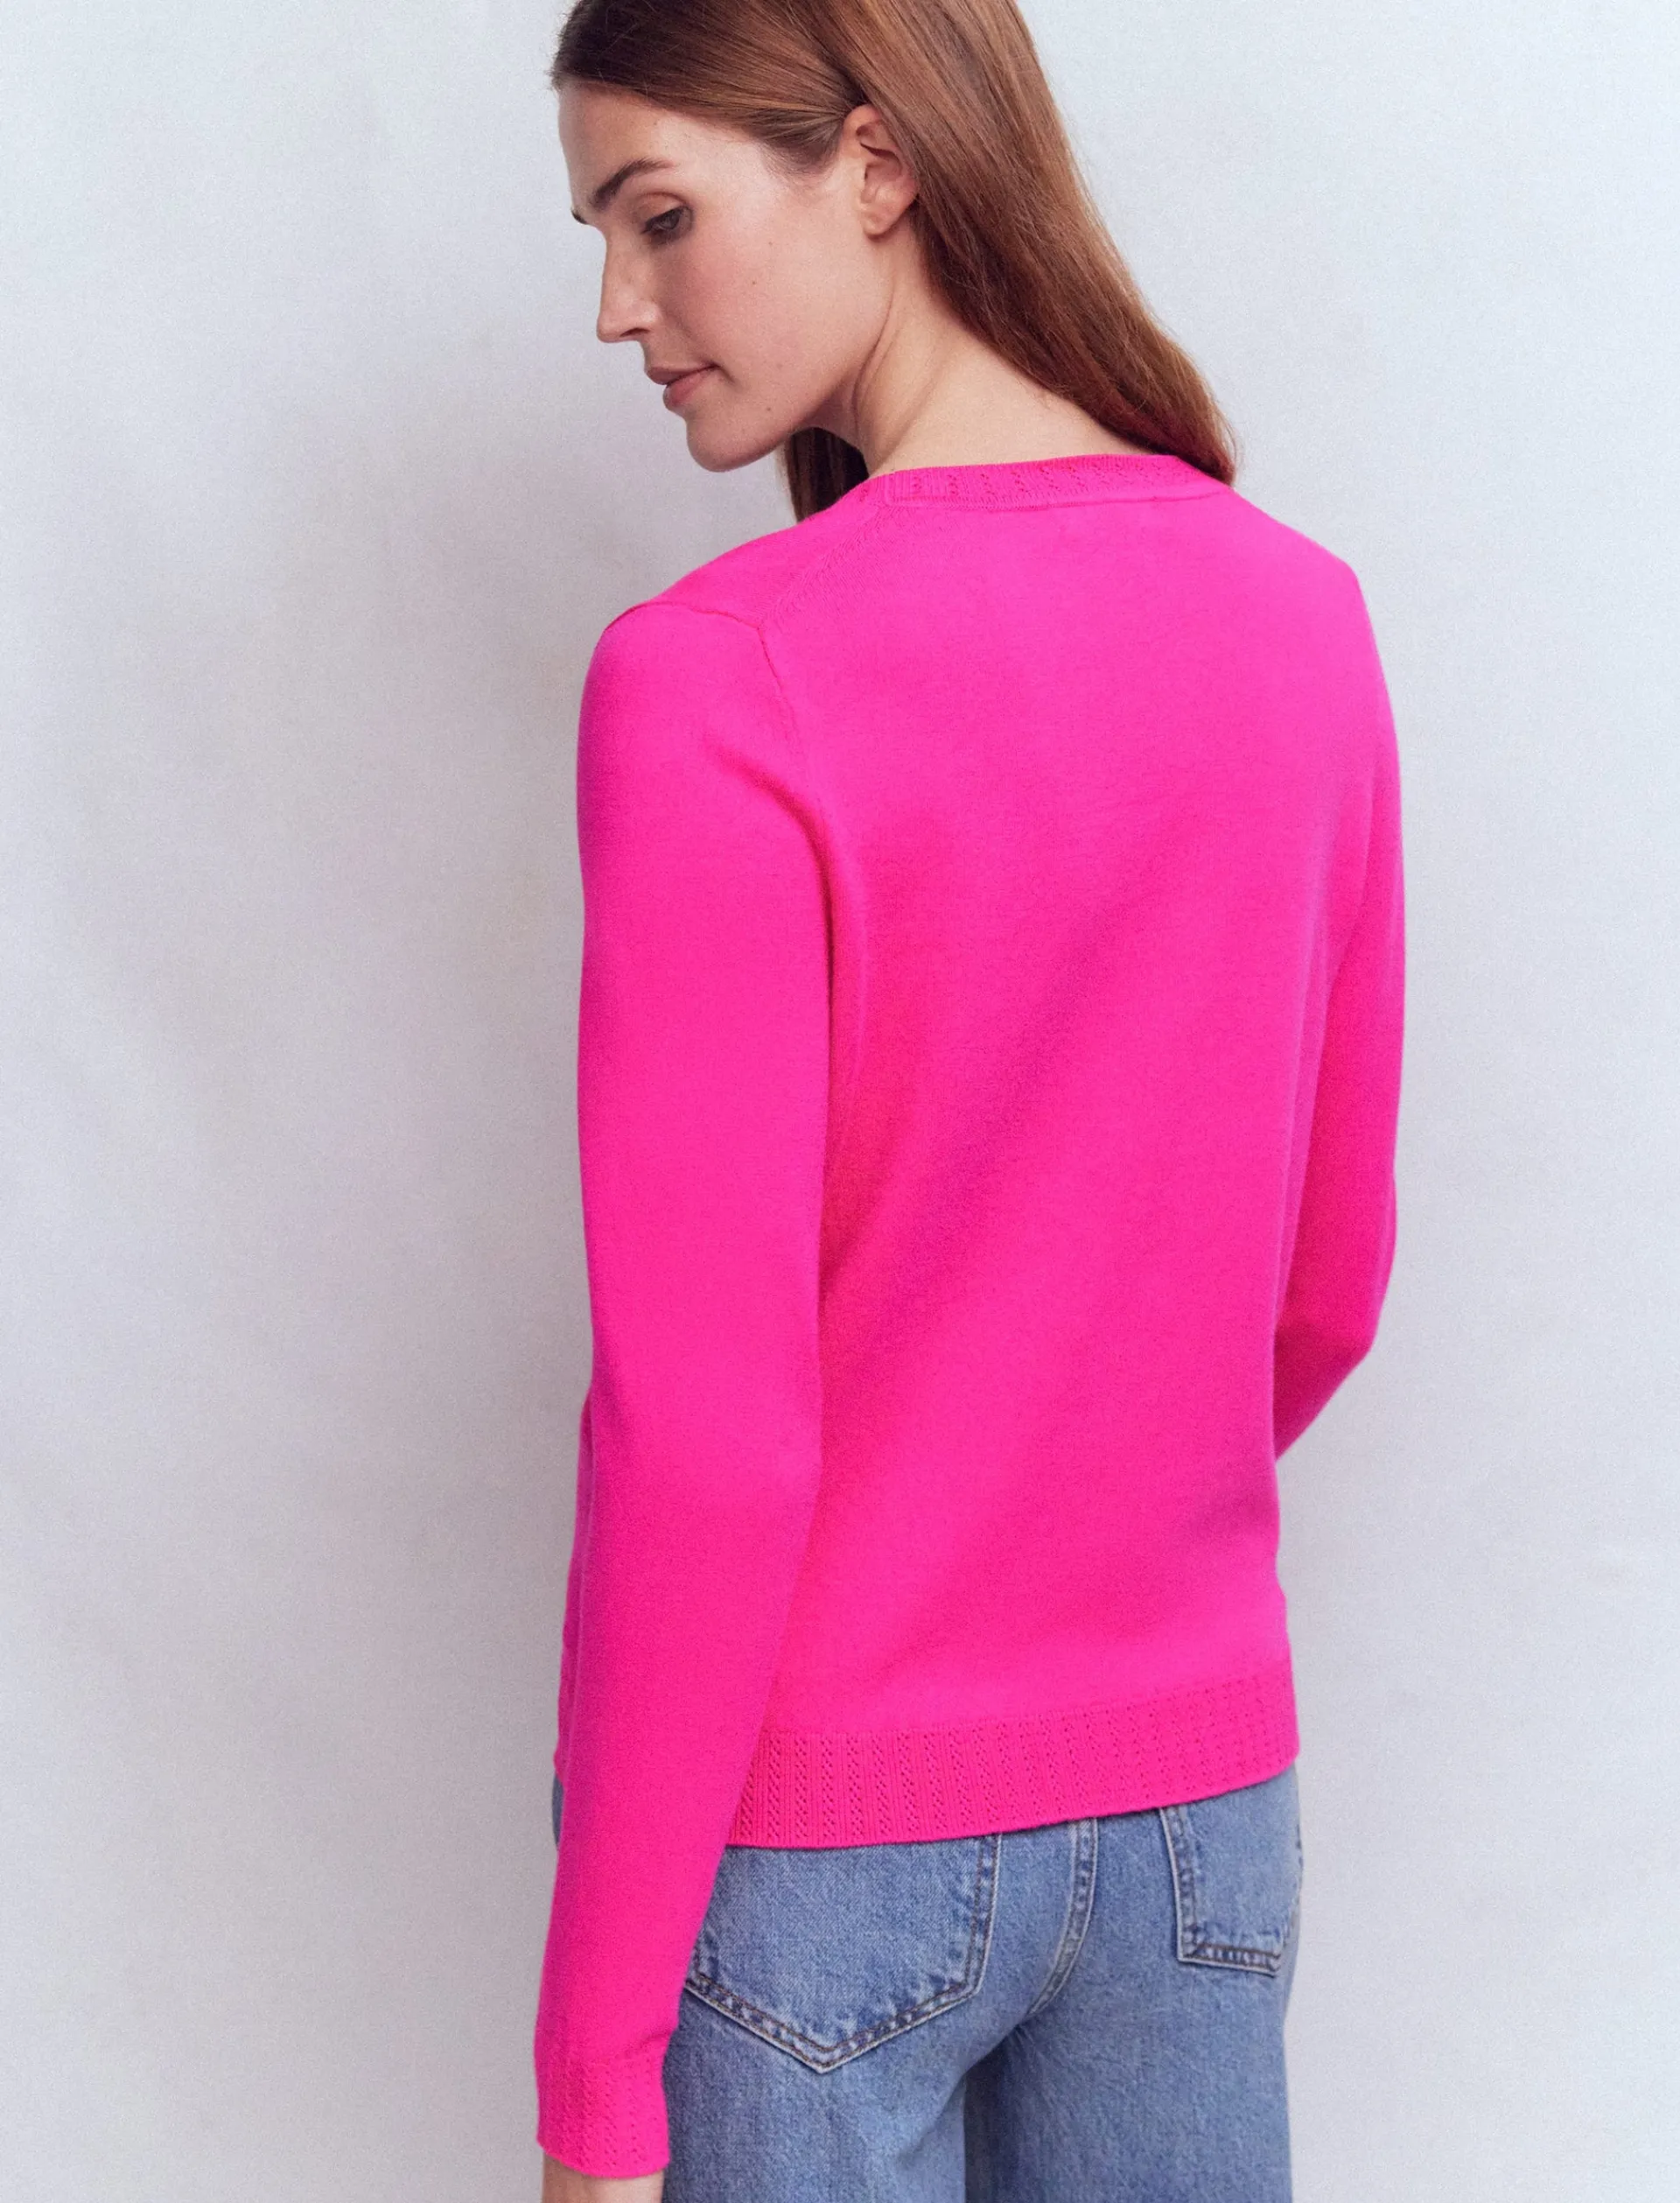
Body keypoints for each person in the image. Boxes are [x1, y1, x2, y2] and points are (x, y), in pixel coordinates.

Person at [536, 2, 1405, 2199]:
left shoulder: (720, 679)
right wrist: (1063, 1516)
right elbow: (1326, 1286)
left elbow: (703, 1432)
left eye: (660, 216)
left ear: (876, 162)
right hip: (1200, 1819)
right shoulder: (1302, 621)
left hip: (820, 1849)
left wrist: (597, 2077)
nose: (619, 306)